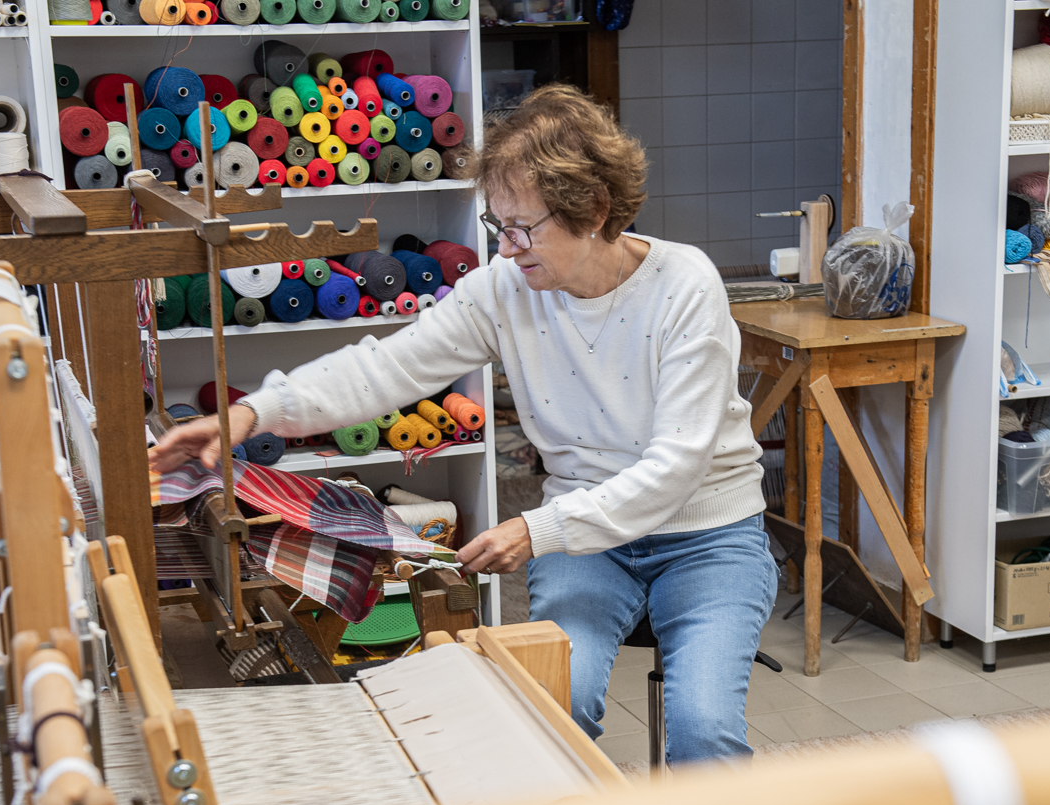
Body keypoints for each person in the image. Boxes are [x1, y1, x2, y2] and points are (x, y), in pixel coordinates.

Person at [151, 84, 776, 763]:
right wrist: (251, 413)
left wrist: (534, 530)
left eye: (522, 228)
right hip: (589, 547)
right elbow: (385, 368)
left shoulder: (684, 286)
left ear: (594, 209)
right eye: (497, 225)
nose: (505, 248)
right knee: (553, 704)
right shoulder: (505, 290)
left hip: (709, 535)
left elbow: (677, 466)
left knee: (703, 730)